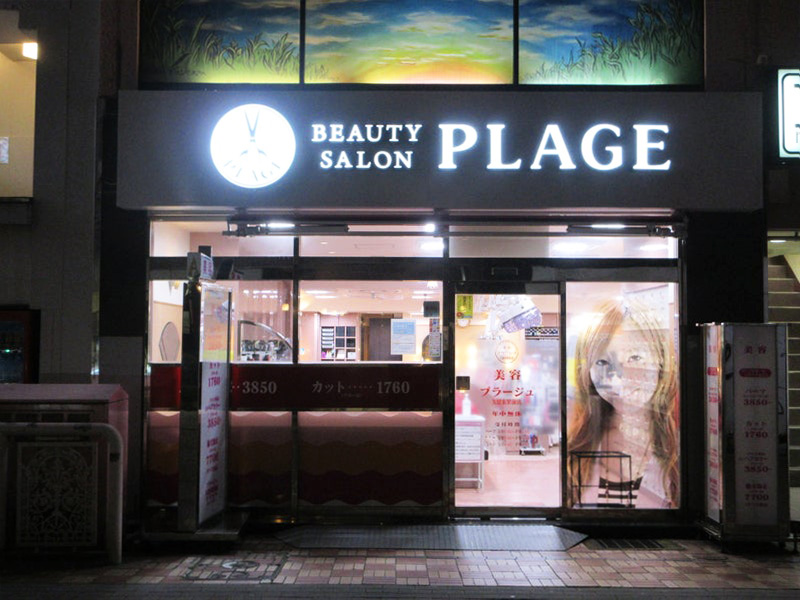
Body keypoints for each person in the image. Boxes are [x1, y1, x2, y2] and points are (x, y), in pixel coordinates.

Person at [567, 297, 679, 508]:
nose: (618, 380)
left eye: (634, 358)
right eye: (602, 362)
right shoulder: (582, 440)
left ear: (660, 360)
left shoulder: (681, 447)